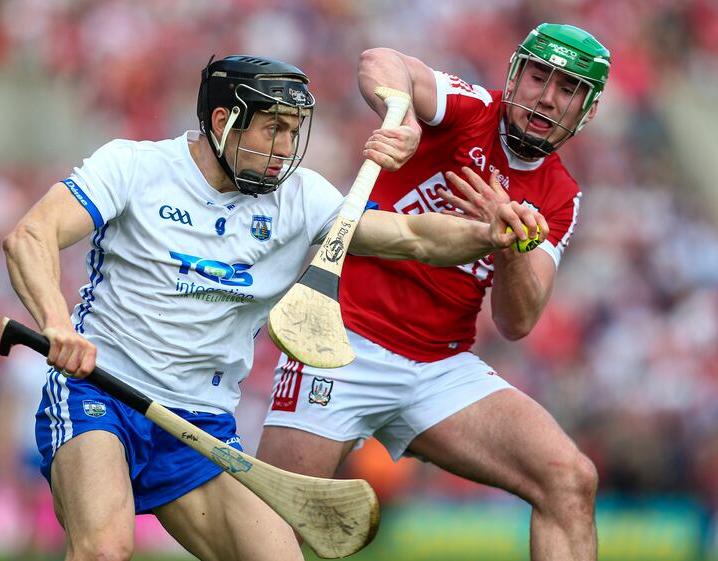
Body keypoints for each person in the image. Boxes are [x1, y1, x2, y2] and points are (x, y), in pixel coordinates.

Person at [2, 54, 545, 561]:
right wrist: (55, 323)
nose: (286, 146)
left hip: (200, 423)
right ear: (222, 121)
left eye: (292, 130)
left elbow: (412, 236)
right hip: (102, 393)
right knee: (104, 549)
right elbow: (32, 234)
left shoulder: (300, 198)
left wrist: (488, 234)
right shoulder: (133, 167)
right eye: (273, 129)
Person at [258, 23, 610, 561]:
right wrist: (402, 117)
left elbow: (517, 323)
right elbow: (379, 59)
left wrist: (511, 244)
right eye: (540, 78)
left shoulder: (561, 195)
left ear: (586, 108)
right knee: (268, 526)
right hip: (340, 341)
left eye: (567, 89)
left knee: (570, 479)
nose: (547, 98)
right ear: (516, 75)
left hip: (440, 367)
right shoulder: (467, 110)